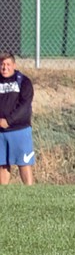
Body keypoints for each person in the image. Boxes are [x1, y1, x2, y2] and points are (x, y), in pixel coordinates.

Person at [0, 52, 35, 185]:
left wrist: (8, 120)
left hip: (19, 130)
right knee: (2, 164)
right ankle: (4, 194)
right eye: (2, 64)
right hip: (1, 133)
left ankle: (30, 193)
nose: (5, 67)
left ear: (14, 65)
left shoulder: (24, 82)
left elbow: (25, 105)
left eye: (8, 64)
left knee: (24, 163)